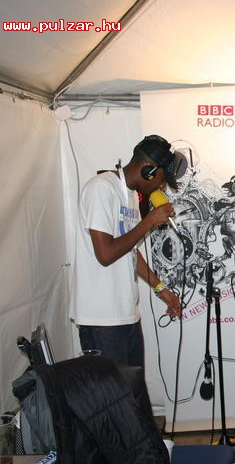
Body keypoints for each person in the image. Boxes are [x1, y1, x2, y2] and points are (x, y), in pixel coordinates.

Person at [72, 135, 183, 368]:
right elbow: (105, 254)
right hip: (102, 321)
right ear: (148, 171)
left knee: (133, 389)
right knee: (112, 391)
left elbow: (130, 251)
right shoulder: (102, 188)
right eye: (162, 179)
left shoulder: (131, 195)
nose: (162, 186)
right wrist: (149, 221)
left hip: (126, 315)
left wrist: (162, 290)